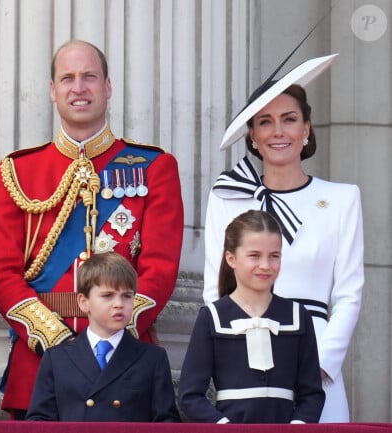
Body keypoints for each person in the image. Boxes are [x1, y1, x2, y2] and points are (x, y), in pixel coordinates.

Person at [0, 40, 184, 419]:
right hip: (40, 364)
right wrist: (57, 341)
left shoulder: (154, 167)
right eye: (68, 78)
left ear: (107, 87)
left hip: (126, 365)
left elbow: (159, 269)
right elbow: (1, 274)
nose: (78, 87)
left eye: (89, 77)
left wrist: (112, 332)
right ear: (53, 90)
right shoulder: (17, 172)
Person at [202, 55, 364, 422]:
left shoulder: (342, 199)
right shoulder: (228, 197)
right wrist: (232, 360)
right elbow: (214, 290)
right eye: (265, 122)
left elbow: (349, 294)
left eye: (289, 119)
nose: (278, 131)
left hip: (317, 358)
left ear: (306, 128)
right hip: (246, 353)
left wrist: (318, 368)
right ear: (253, 137)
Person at [180, 210, 325, 423]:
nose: (265, 265)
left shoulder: (298, 316)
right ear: (231, 258)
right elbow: (190, 396)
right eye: (254, 255)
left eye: (274, 256)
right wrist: (224, 426)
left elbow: (312, 393)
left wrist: (298, 426)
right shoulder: (212, 317)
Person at [26, 252, 180, 422]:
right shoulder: (57, 358)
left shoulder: (152, 358)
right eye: (107, 296)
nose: (119, 304)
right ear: (83, 302)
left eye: (127, 296)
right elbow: (40, 423)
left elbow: (166, 422)